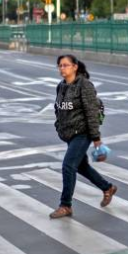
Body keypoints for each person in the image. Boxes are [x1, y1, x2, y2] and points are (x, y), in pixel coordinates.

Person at [50, 54, 117, 219]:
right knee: (81, 166)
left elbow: (91, 113)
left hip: (82, 132)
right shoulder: (61, 86)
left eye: (66, 65)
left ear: (75, 67)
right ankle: (107, 187)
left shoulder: (84, 86)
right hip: (68, 134)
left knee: (68, 166)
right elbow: (58, 108)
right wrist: (58, 126)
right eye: (60, 65)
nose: (62, 68)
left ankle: (65, 205)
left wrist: (95, 138)